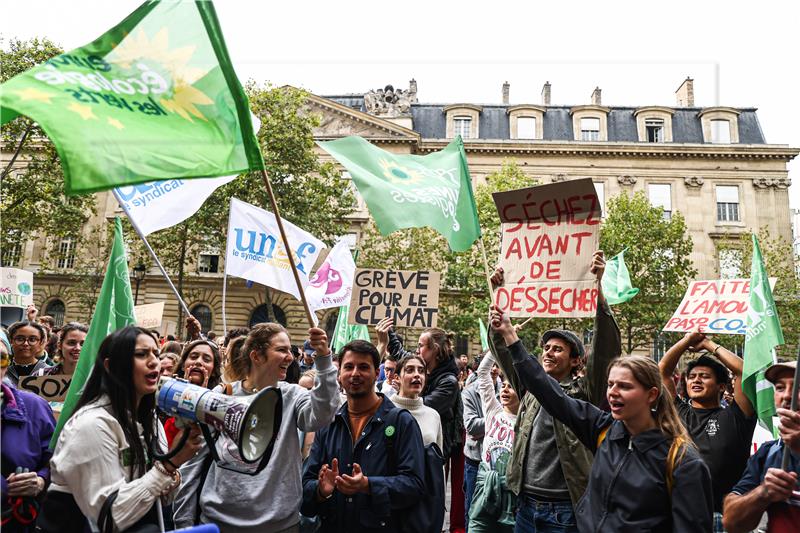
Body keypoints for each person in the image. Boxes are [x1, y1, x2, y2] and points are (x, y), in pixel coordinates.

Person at [490, 305, 713, 532]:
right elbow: (546, 390)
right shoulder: (603, 430)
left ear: (652, 394)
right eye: (610, 385)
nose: (613, 392)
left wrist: (599, 298)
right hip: (526, 508)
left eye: (624, 386)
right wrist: (508, 333)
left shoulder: (683, 461)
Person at [491, 251, 621, 533]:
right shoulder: (530, 388)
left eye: (557, 349)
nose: (548, 353)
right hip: (525, 506)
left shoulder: (585, 392)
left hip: (564, 510)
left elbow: (606, 350)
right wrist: (498, 295)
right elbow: (504, 352)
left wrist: (598, 290)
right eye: (546, 347)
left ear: (576, 360)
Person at [174, 323, 340, 533]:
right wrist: (184, 524)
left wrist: (324, 359)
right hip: (218, 522)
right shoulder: (222, 394)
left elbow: (323, 415)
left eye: (290, 350)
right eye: (281, 350)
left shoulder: (293, 396)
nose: (290, 357)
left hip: (279, 526)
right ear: (257, 356)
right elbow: (194, 463)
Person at [44, 326, 202, 532]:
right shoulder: (91, 424)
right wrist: (170, 465)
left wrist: (172, 475)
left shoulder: (150, 421)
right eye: (141, 354)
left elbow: (162, 499)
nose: (154, 361)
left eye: (156, 353)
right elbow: (111, 518)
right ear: (110, 366)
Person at [301, 339, 426, 532]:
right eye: (349, 367)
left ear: (377, 373)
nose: (355, 373)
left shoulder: (401, 422)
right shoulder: (328, 424)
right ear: (340, 374)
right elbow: (305, 488)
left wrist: (368, 485)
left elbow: (415, 485)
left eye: (363, 367)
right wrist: (321, 490)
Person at [658, 329, 756, 531]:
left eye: (704, 376)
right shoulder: (677, 411)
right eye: (692, 376)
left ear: (721, 387)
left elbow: (743, 371)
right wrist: (686, 341)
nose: (696, 380)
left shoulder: (737, 415)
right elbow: (663, 371)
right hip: (681, 513)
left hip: (725, 517)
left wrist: (709, 345)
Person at [723, 360, 800, 532]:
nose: (788, 396)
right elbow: (731, 522)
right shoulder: (768, 453)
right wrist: (763, 492)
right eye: (780, 387)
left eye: (798, 387)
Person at [1, 340, 56, 533]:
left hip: (15, 522)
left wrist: (40, 480)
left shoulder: (35, 407)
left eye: (1, 358)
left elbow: (56, 459)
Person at [468, 351, 519, 533]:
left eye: (510, 387)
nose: (504, 389)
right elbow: (483, 372)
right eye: (503, 386)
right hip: (484, 488)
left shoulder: (526, 421)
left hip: (511, 495)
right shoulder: (493, 411)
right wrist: (497, 341)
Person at [462, 351, 499, 530]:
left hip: (498, 465)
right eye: (490, 365)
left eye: (497, 365)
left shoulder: (508, 389)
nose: (494, 369)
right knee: (473, 512)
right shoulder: (469, 392)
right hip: (475, 462)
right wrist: (501, 419)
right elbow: (471, 427)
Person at [163, 339, 223, 447]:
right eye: (193, 357)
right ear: (183, 365)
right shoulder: (164, 399)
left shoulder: (221, 403)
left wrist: (202, 400)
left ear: (214, 371)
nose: (199, 362)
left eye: (206, 359)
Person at [391, 354, 443, 449]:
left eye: (421, 371)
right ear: (397, 377)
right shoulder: (385, 410)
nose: (417, 375)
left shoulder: (433, 415)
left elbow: (437, 459)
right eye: (410, 370)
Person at [6, 321, 50, 385]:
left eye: (32, 340)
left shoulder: (49, 373)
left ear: (41, 342)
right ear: (11, 340)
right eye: (20, 339)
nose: (25, 344)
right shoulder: (3, 369)